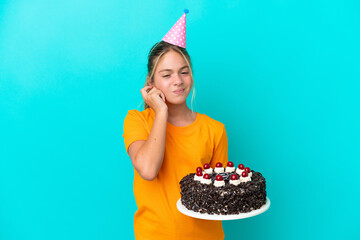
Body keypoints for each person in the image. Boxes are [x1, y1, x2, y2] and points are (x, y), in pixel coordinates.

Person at [122, 10, 228, 240]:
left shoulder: (214, 130)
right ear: (151, 82)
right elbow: (148, 170)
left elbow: (219, 196)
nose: (178, 81)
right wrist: (160, 112)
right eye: (167, 75)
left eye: (184, 72)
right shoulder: (137, 121)